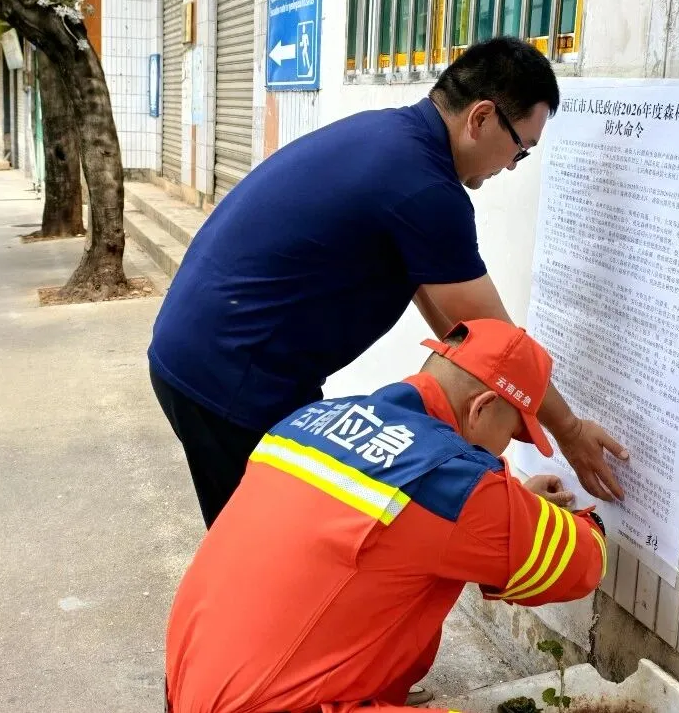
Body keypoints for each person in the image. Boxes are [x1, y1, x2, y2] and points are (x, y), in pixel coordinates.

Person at [149, 37, 627, 531]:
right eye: (520, 149)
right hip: (230, 375)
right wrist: (568, 430)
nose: (510, 165)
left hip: (203, 349)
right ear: (481, 118)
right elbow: (495, 337)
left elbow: (463, 338)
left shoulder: (392, 138)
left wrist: (499, 467)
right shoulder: (425, 189)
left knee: (291, 530)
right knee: (275, 547)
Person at [164, 319, 606, 713]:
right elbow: (579, 564)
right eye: (511, 432)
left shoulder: (306, 421)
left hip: (189, 687)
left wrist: (512, 506)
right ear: (482, 407)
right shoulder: (450, 481)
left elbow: (400, 524)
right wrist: (592, 521)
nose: (505, 448)